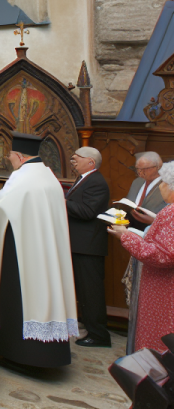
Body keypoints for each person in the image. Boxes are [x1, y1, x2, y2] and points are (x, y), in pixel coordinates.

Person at [0, 132, 78, 367]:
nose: (9, 160)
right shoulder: (49, 176)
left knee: (21, 298)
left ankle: (21, 354)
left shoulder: (22, 178)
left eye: (10, 156)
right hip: (47, 250)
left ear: (19, 156)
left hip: (23, 251)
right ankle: (50, 352)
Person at [109, 161, 174, 352]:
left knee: (158, 346)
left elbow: (163, 255)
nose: (161, 186)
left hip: (162, 291)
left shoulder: (171, 212)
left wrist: (125, 236)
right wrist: (155, 220)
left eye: (163, 182)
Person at [65, 146, 111, 348]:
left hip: (89, 246)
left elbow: (86, 212)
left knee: (91, 292)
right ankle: (90, 325)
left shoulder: (97, 182)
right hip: (81, 244)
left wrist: (61, 200)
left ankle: (99, 335)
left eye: (77, 158)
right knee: (84, 291)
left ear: (90, 162)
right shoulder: (85, 178)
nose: (73, 160)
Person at [122, 151, 167, 354]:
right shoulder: (136, 183)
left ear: (157, 167)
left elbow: (162, 254)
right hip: (136, 238)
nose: (140, 172)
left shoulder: (169, 200)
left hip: (153, 254)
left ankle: (150, 352)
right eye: (137, 168)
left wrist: (152, 221)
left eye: (144, 169)